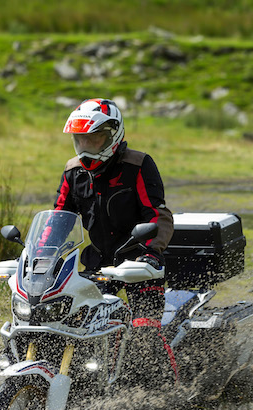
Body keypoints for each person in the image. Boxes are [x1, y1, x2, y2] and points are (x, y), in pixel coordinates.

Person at [54, 98, 176, 386]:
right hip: (96, 264)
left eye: (93, 138)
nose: (85, 146)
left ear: (112, 135)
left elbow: (157, 213)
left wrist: (151, 253)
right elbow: (59, 217)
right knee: (67, 326)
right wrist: (43, 256)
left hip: (138, 263)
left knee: (145, 332)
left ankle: (173, 391)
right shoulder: (73, 171)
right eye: (80, 139)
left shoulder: (138, 164)